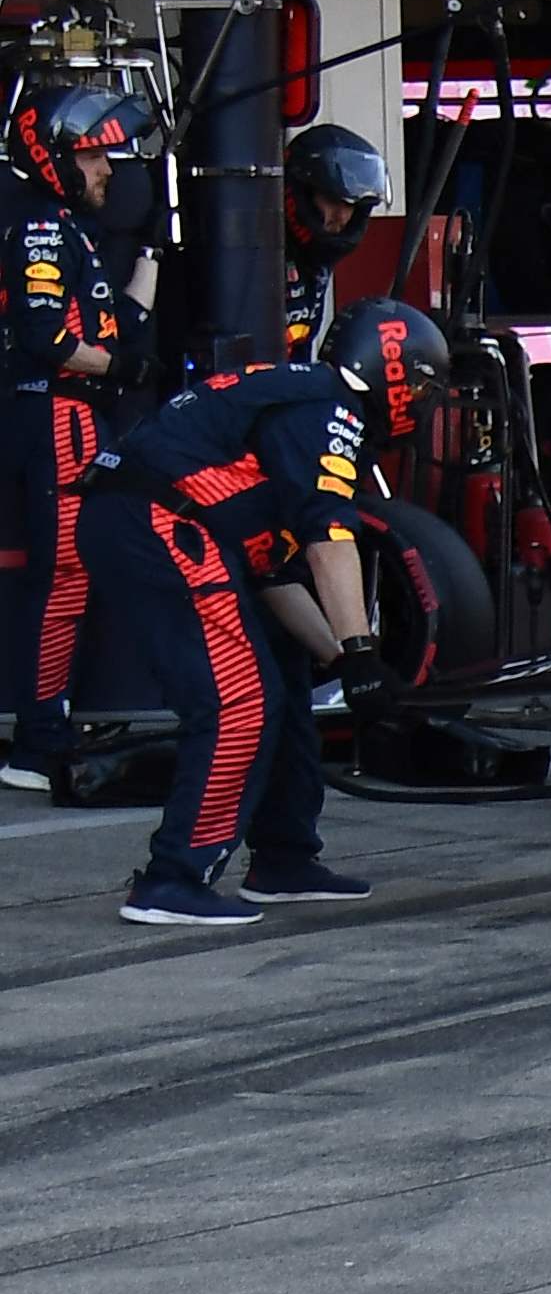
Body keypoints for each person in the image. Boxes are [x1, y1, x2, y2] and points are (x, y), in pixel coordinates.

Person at [88, 299, 440, 925]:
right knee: (239, 700)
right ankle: (173, 878)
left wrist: (340, 658)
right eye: (419, 381)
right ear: (392, 366)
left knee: (283, 676)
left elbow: (271, 571)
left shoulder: (298, 397)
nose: (420, 398)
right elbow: (329, 541)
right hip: (159, 522)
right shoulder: (332, 408)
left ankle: (283, 858)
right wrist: (361, 655)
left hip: (149, 518)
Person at [1, 83, 149, 795]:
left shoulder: (63, 223)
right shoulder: (37, 226)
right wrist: (119, 366)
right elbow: (45, 338)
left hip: (71, 412)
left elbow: (116, 319)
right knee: (62, 576)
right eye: (95, 156)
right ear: (53, 153)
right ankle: (38, 742)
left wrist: (153, 247)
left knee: (69, 575)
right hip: (56, 412)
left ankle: (46, 723)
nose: (107, 171)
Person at [281, 122, 387, 357]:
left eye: (350, 206)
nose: (341, 217)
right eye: (331, 199)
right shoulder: (264, 250)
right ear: (301, 191)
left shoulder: (317, 261)